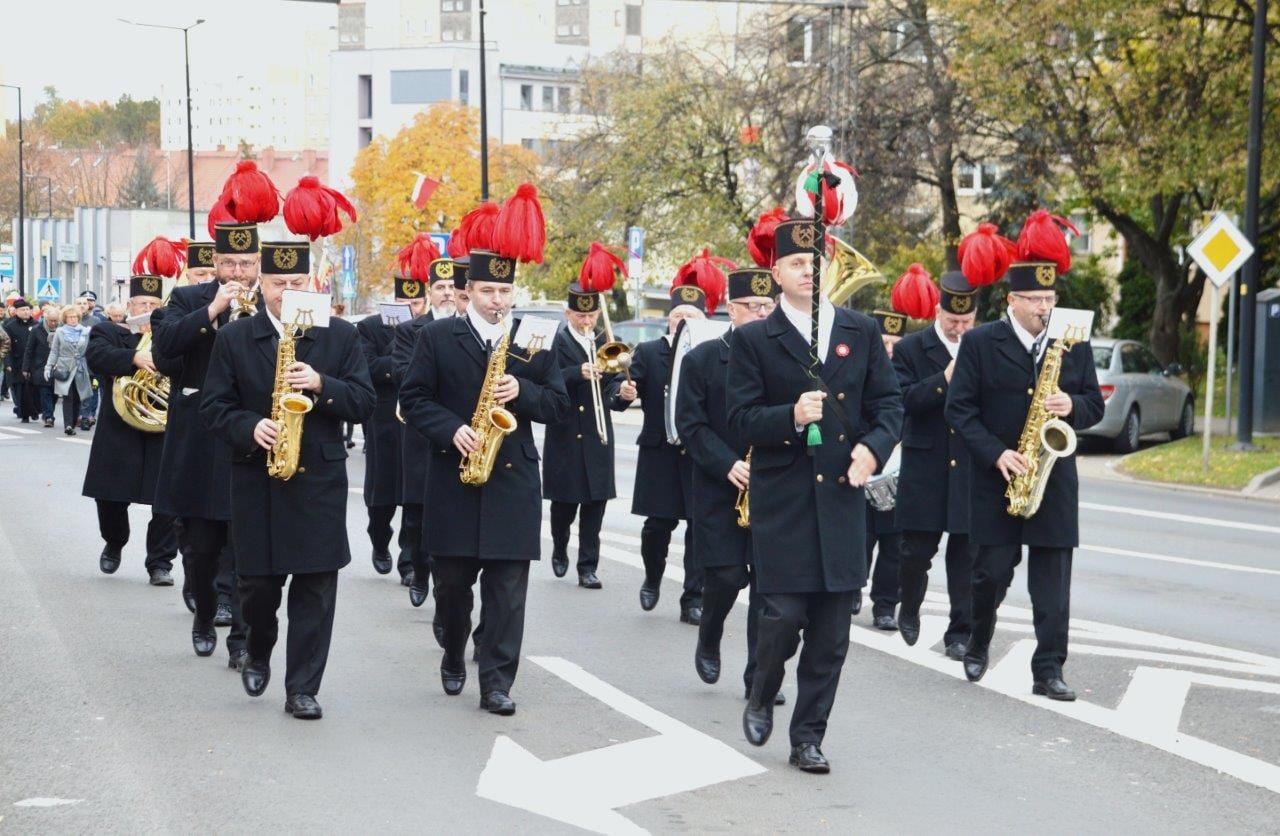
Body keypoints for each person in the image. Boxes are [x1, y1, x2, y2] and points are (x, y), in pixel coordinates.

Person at [728, 217, 902, 773]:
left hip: (843, 500)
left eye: (816, 262)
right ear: (776, 272)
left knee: (831, 634)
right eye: (798, 263)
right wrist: (789, 416)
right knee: (780, 619)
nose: (809, 270)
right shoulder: (756, 338)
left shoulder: (860, 330)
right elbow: (739, 417)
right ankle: (761, 690)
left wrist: (872, 450)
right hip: (785, 502)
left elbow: (889, 405)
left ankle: (807, 737)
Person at [399, 185, 569, 715]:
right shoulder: (437, 338)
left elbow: (559, 404)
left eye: (506, 292)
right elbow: (413, 398)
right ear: (468, 290)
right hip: (455, 478)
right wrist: (452, 430)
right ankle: (453, 649)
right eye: (489, 292)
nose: (498, 301)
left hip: (513, 480)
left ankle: (497, 681)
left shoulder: (535, 339)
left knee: (509, 592)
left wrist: (526, 392)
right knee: (453, 588)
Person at [201, 240, 375, 720]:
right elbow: (213, 407)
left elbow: (364, 401)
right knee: (258, 587)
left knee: (316, 587)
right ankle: (257, 651)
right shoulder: (235, 338)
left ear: (311, 284)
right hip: (258, 478)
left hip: (318, 480)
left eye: (297, 283)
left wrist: (322, 384)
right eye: (279, 284)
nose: (287, 292)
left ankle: (302, 688)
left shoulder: (339, 337)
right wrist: (249, 427)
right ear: (262, 283)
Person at [944, 211, 1105, 701]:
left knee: (1053, 584)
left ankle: (1049, 669)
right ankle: (978, 640)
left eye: (1050, 299)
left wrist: (1070, 406)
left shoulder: (1071, 343)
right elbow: (960, 410)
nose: (1044, 307)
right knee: (989, 574)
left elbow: (1095, 405)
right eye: (1035, 299)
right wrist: (997, 455)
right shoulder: (979, 343)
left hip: (1052, 479)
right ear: (1012, 300)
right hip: (999, 478)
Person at [676, 266, 787, 704]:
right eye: (752, 307)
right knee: (725, 576)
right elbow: (691, 424)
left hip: (773, 486)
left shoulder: (785, 359)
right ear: (730, 309)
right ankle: (710, 633)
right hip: (720, 485)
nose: (761, 314)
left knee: (766, 584)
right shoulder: (702, 359)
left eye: (767, 306)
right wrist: (727, 465)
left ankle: (757, 675)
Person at [152, 219, 259, 666]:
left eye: (246, 263)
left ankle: (241, 638)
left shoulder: (272, 304)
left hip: (249, 435)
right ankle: (201, 613)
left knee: (246, 543)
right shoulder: (187, 299)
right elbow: (163, 350)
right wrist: (211, 310)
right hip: (199, 439)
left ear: (257, 264)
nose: (237, 272)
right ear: (214, 263)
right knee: (199, 546)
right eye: (229, 262)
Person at [894, 270, 979, 659]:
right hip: (925, 464)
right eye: (953, 322)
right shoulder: (912, 348)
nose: (960, 329)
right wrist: (944, 378)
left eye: (966, 322)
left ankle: (960, 633)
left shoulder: (982, 347)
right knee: (915, 552)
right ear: (938, 313)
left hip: (968, 464)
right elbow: (903, 400)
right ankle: (908, 607)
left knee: (966, 556)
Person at [82, 273, 178, 585]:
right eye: (142, 304)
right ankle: (114, 541)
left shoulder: (175, 337)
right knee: (109, 497)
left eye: (153, 304)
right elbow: (96, 357)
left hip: (162, 429)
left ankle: (160, 563)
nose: (147, 310)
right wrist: (134, 356)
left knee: (167, 503)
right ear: (129, 305)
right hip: (119, 429)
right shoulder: (108, 331)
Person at [543, 280, 636, 588]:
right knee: (564, 506)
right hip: (566, 435)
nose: (587, 322)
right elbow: (546, 382)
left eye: (592, 316)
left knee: (595, 507)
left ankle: (587, 567)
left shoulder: (609, 341)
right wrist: (575, 374)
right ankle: (559, 545)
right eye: (580, 316)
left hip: (598, 438)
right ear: (568, 313)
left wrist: (622, 394)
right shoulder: (555, 343)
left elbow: (611, 389)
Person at [628, 284, 707, 623]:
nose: (683, 321)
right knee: (657, 525)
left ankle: (693, 598)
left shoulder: (713, 352)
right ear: (668, 321)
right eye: (678, 316)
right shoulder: (648, 351)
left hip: (699, 454)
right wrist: (623, 389)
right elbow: (624, 388)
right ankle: (652, 576)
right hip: (660, 451)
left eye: (691, 316)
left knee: (700, 527)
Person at [391, 236, 454, 603]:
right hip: (420, 430)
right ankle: (416, 571)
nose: (447, 293)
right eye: (440, 287)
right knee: (416, 510)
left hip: (458, 429)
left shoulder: (468, 327)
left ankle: (439, 574)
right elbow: (401, 372)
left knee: (447, 514)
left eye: (451, 286)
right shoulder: (410, 330)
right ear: (429, 292)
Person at [355, 275, 426, 585]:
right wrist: (401, 346)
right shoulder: (371, 327)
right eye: (404, 303)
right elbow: (367, 366)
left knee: (414, 495)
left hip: (417, 420)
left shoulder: (432, 329)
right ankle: (379, 540)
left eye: (416, 304)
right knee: (382, 495)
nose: (410, 309)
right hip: (384, 418)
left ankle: (408, 560)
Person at [857, 309, 909, 631]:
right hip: (861, 464)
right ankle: (851, 588)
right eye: (883, 342)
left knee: (894, 545)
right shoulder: (857, 368)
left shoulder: (909, 370)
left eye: (895, 343)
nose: (889, 349)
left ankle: (885, 606)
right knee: (860, 538)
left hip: (899, 471)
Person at [45, 304, 93, 435]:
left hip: (80, 367)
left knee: (80, 396)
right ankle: (68, 426)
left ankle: (73, 422)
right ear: (65, 319)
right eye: (70, 317)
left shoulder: (85, 331)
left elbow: (90, 351)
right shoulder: (60, 332)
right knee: (68, 396)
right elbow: (54, 351)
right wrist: (48, 367)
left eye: (75, 317)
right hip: (64, 367)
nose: (73, 319)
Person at [25, 305, 60, 428]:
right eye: (51, 320)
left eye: (56, 320)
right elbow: (29, 350)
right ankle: (48, 416)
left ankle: (48, 413)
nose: (53, 323)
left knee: (55, 394)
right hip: (40, 366)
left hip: (57, 366)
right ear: (46, 319)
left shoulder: (62, 330)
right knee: (45, 392)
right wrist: (26, 368)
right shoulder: (36, 330)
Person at [3, 298, 37, 422]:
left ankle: (33, 410)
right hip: (17, 362)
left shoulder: (36, 325)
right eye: (23, 310)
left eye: (28, 309)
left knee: (34, 388)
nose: (26, 312)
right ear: (16, 311)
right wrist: (7, 363)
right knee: (21, 389)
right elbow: (6, 346)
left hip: (34, 362)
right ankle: (24, 414)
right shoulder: (10, 326)